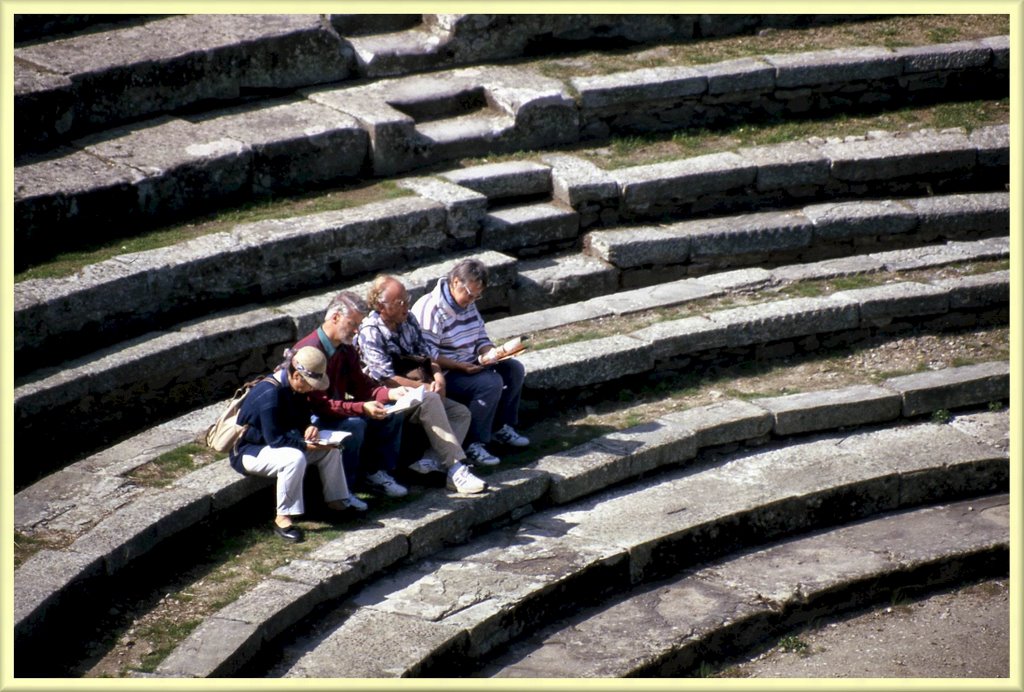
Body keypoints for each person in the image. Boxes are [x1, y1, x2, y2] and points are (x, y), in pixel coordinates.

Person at [358, 274, 488, 494]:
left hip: (416, 391)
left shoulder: (407, 319)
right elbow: (385, 378)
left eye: (407, 300)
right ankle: (456, 469)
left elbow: (427, 356)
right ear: (382, 305)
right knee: (430, 399)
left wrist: (438, 377)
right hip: (388, 396)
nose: (407, 306)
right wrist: (425, 388)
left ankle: (427, 463)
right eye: (400, 303)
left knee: (461, 413)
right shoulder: (370, 331)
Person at [231, 346, 365, 543]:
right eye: (309, 383)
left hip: (274, 446)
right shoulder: (270, 394)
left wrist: (310, 429)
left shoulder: (297, 390)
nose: (311, 388)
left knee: (331, 451)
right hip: (250, 451)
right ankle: (283, 517)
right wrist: (306, 446)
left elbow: (302, 419)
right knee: (295, 458)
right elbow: (275, 440)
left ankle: (337, 502)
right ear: (295, 375)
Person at [410, 258, 529, 467]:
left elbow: (480, 335)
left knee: (514, 370)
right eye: (469, 294)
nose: (472, 300)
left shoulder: (467, 303)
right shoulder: (430, 308)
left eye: (477, 296)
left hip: (470, 362)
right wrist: (459, 366)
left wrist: (492, 353)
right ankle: (473, 443)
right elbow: (427, 355)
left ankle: (501, 427)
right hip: (447, 371)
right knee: (489, 383)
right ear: (455, 282)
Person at [293, 291, 410, 502]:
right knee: (354, 425)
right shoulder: (308, 351)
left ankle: (377, 472)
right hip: (308, 421)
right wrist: (362, 408)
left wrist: (389, 393)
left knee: (393, 411)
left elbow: (361, 386)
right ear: (335, 317)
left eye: (359, 324)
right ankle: (343, 489)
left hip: (335, 409)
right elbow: (321, 406)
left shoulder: (346, 349)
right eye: (352, 324)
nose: (357, 331)